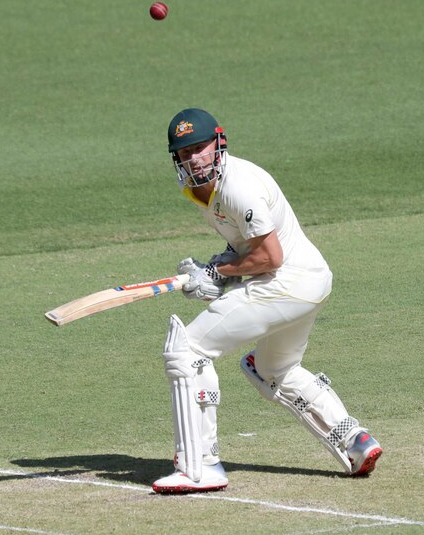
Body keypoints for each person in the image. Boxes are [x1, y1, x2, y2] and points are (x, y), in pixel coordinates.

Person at [152, 108, 382, 494]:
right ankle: (354, 440)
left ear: (219, 143)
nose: (194, 157)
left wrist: (216, 275)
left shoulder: (238, 187)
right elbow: (247, 243)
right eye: (185, 151)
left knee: (187, 348)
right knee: (273, 369)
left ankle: (199, 466)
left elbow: (270, 258)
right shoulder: (197, 190)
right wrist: (222, 265)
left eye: (201, 147)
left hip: (286, 282)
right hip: (307, 283)